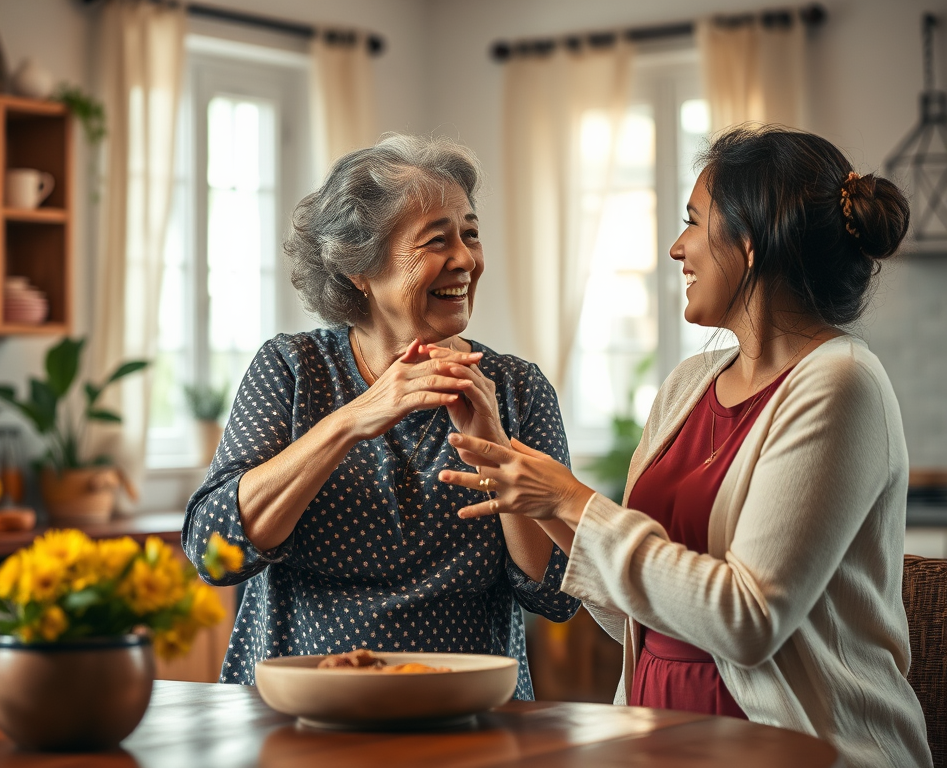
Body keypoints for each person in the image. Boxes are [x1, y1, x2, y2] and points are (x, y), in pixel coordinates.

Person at [438, 125, 933, 768]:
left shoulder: (841, 382)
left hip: (799, 749)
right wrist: (533, 493)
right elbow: (636, 616)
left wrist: (575, 501)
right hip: (663, 739)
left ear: (749, 243)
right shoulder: (689, 386)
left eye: (694, 221)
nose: (677, 247)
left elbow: (746, 622)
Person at [183, 133, 579, 698]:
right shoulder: (291, 370)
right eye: (437, 240)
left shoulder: (516, 389)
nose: (465, 258)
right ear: (358, 270)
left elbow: (558, 595)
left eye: (470, 234)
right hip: (302, 715)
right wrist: (354, 419)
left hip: (465, 720)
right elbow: (212, 550)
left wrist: (496, 451)